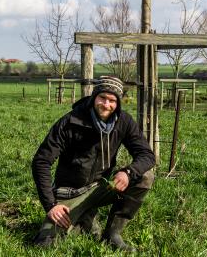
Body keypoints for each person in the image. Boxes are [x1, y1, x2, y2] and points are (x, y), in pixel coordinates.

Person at [32, 76, 155, 252]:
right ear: (94, 97)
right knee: (45, 244)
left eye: (112, 100)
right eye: (102, 97)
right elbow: (41, 162)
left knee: (145, 176)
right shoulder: (70, 122)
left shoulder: (124, 121)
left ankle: (112, 234)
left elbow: (147, 155)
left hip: (101, 187)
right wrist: (51, 205)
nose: (106, 104)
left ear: (118, 103)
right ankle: (83, 218)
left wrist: (128, 172)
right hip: (70, 193)